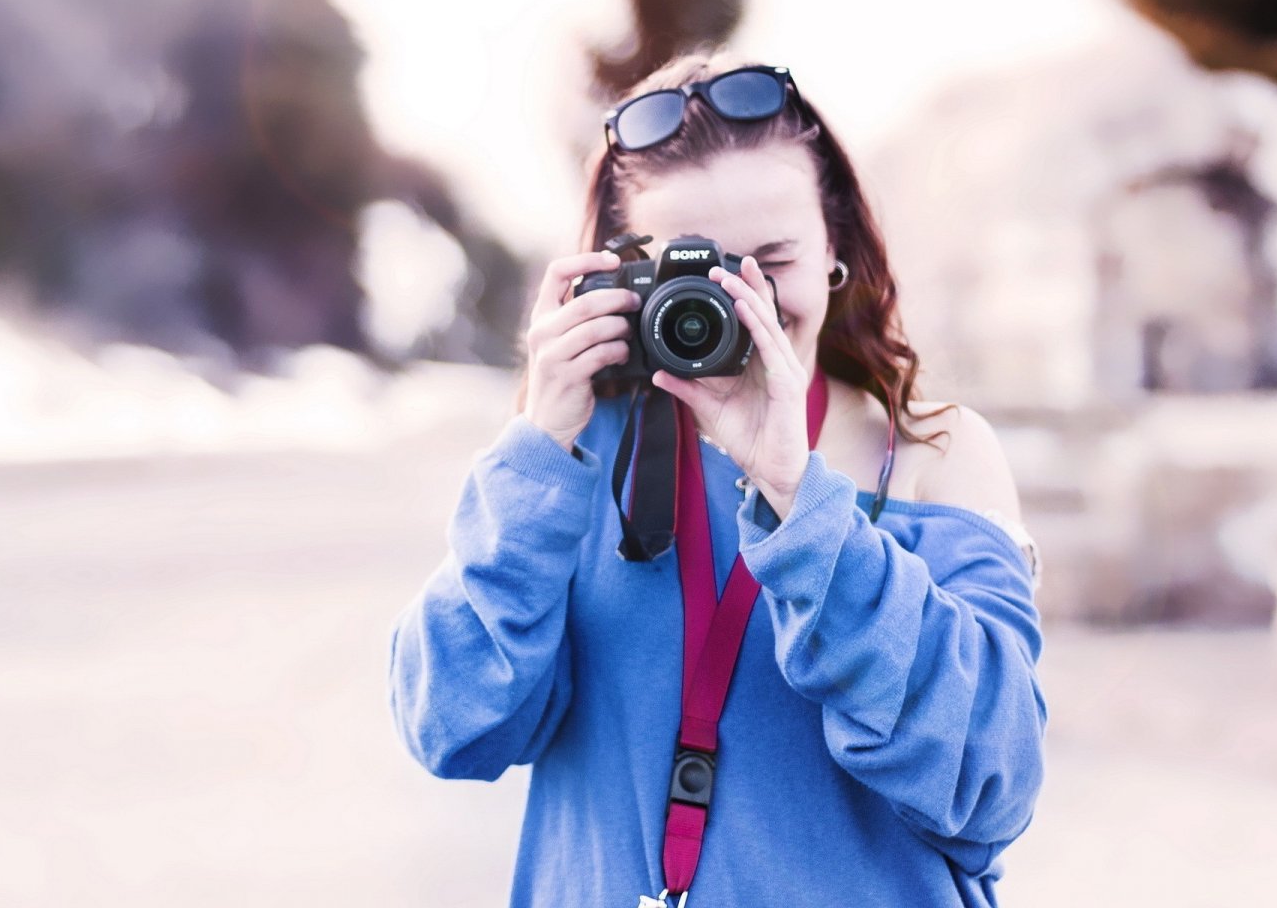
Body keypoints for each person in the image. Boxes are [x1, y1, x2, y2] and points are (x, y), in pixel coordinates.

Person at [388, 48, 1046, 907]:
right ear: (623, 274)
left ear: (835, 249)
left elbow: (992, 783)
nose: (745, 301)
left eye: (772, 262)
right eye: (694, 266)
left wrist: (799, 500)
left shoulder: (929, 452)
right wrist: (534, 459)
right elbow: (453, 728)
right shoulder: (578, 456)